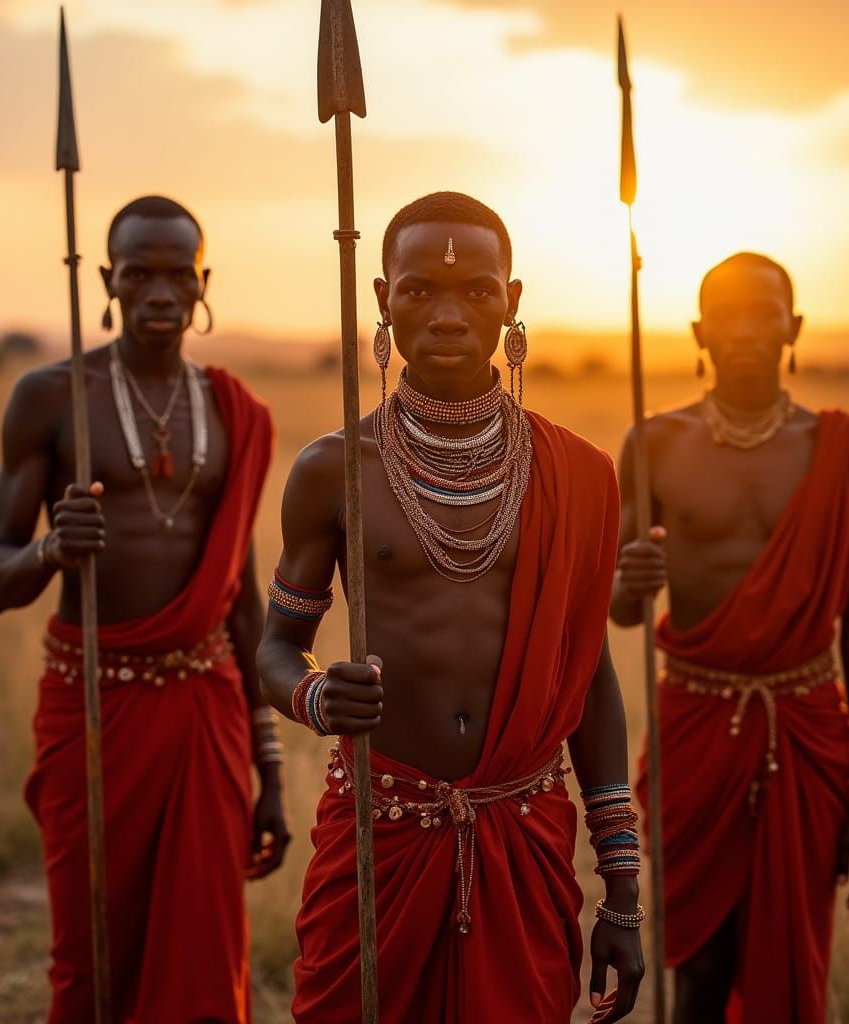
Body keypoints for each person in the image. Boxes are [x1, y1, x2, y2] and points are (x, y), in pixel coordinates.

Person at [258, 191, 643, 1024]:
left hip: (523, 833)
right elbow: (275, 648)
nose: (445, 315)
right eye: (419, 290)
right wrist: (319, 695)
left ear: (512, 302)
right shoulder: (335, 470)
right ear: (381, 301)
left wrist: (621, 885)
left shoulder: (577, 473)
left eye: (475, 292)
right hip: (379, 831)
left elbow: (590, 677)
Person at [0, 195, 290, 1023]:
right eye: (139, 273)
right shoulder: (50, 399)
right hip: (92, 710)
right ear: (108, 280)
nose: (159, 292)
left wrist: (271, 770)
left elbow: (243, 607)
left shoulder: (234, 414)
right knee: (92, 957)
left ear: (203, 283)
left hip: (206, 712)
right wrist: (49, 550)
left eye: (177, 275)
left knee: (201, 961)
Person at [611, 252, 849, 1024]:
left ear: (791, 328)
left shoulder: (835, 454)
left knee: (788, 959)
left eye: (762, 312)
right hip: (694, 734)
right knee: (695, 966)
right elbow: (625, 614)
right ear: (699, 331)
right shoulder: (654, 443)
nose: (742, 330)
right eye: (723, 314)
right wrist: (628, 585)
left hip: (805, 735)